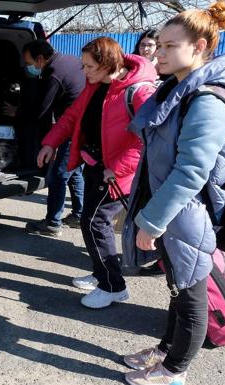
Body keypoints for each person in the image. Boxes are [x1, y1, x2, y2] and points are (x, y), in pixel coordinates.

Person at [122, 3, 225, 384]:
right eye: (158, 45)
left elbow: (191, 172)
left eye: (168, 46)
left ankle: (173, 372)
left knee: (190, 297)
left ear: (199, 47)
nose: (158, 52)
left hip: (188, 212)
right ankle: (166, 349)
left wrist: (150, 221)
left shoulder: (206, 99)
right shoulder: (176, 91)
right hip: (169, 209)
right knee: (176, 287)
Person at [37, 37, 156, 309]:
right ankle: (100, 272)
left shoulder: (139, 91)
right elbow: (71, 117)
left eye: (89, 66)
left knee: (93, 223)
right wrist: (49, 142)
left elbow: (146, 140)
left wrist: (117, 168)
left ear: (107, 63)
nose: (84, 71)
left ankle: (113, 286)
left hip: (115, 175)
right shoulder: (95, 85)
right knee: (92, 223)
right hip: (94, 166)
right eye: (84, 65)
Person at [6, 40, 86, 237]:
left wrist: (19, 114)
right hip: (82, 127)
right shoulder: (69, 59)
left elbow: (42, 110)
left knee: (58, 176)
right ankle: (79, 214)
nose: (29, 68)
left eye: (29, 63)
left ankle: (52, 223)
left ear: (40, 59)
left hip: (72, 130)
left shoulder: (54, 74)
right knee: (74, 172)